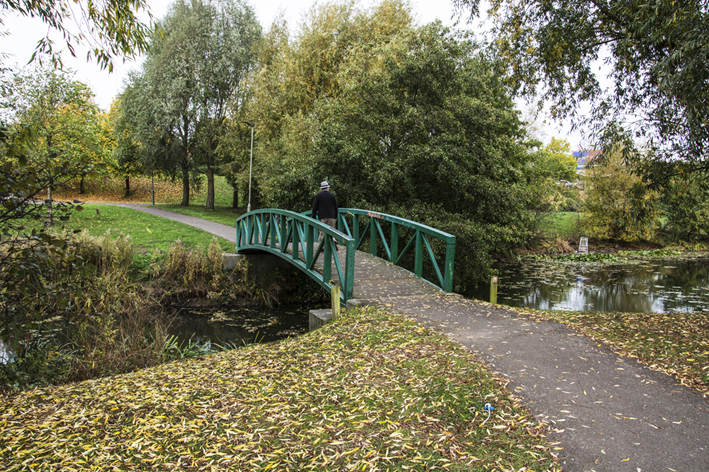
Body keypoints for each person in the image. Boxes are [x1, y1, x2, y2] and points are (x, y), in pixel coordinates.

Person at [312, 180, 338, 248]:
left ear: (322, 188)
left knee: (322, 232)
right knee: (332, 231)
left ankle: (322, 247)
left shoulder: (318, 196)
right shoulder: (332, 196)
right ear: (327, 188)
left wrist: (313, 215)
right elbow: (336, 207)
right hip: (331, 216)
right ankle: (333, 244)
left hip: (322, 216)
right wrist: (335, 217)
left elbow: (315, 207)